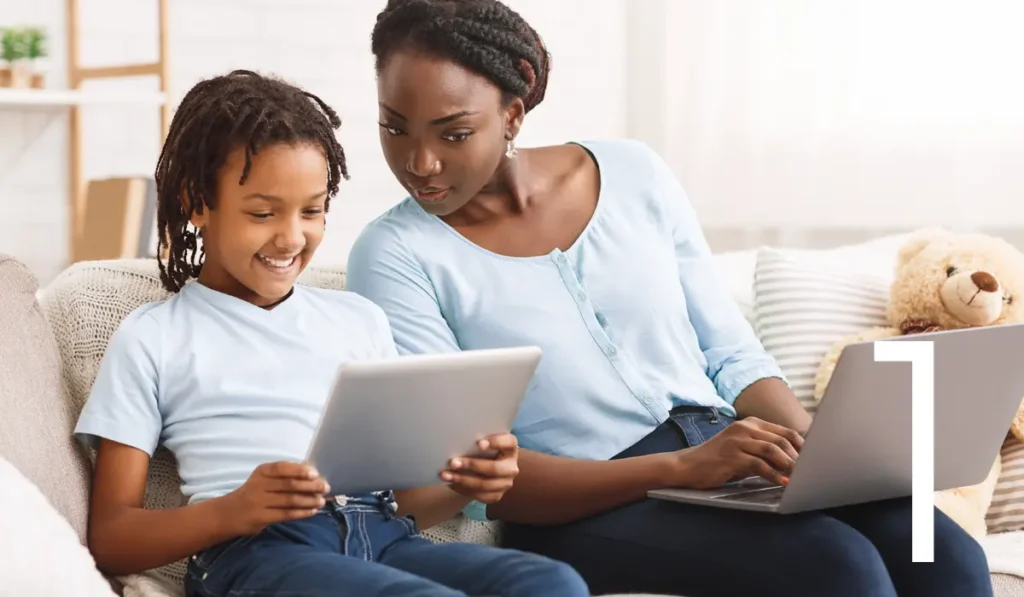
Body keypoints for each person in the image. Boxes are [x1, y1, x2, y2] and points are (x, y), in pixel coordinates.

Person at [345, 2, 995, 596]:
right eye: (394, 128)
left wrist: (825, 456)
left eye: (453, 133)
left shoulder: (634, 173)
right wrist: (685, 465)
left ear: (513, 112)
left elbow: (731, 352)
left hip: (727, 452)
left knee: (944, 551)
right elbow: (471, 470)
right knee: (837, 564)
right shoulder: (396, 254)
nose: (420, 161)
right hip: (589, 503)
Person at [73, 69, 589, 597]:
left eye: (313, 211)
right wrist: (235, 509)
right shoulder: (153, 336)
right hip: (260, 552)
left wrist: (461, 486)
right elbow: (112, 536)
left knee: (549, 582)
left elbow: (403, 500)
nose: (291, 236)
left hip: (383, 536)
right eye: (262, 212)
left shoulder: (357, 320)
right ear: (197, 200)